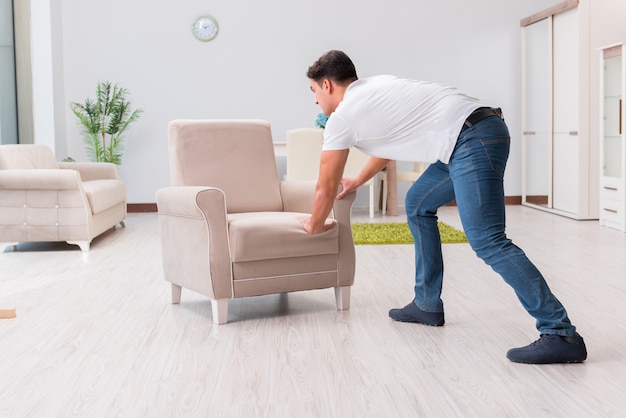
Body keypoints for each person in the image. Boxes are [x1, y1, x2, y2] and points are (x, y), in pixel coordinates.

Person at [297, 50, 587, 364]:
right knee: (418, 203)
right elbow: (390, 142)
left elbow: (325, 187)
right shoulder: (375, 88)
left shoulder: (343, 116)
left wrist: (314, 226)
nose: (315, 101)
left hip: (469, 140)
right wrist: (358, 181)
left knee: (488, 240)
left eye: (314, 91)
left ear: (327, 85)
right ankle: (426, 304)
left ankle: (560, 332)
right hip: (476, 131)